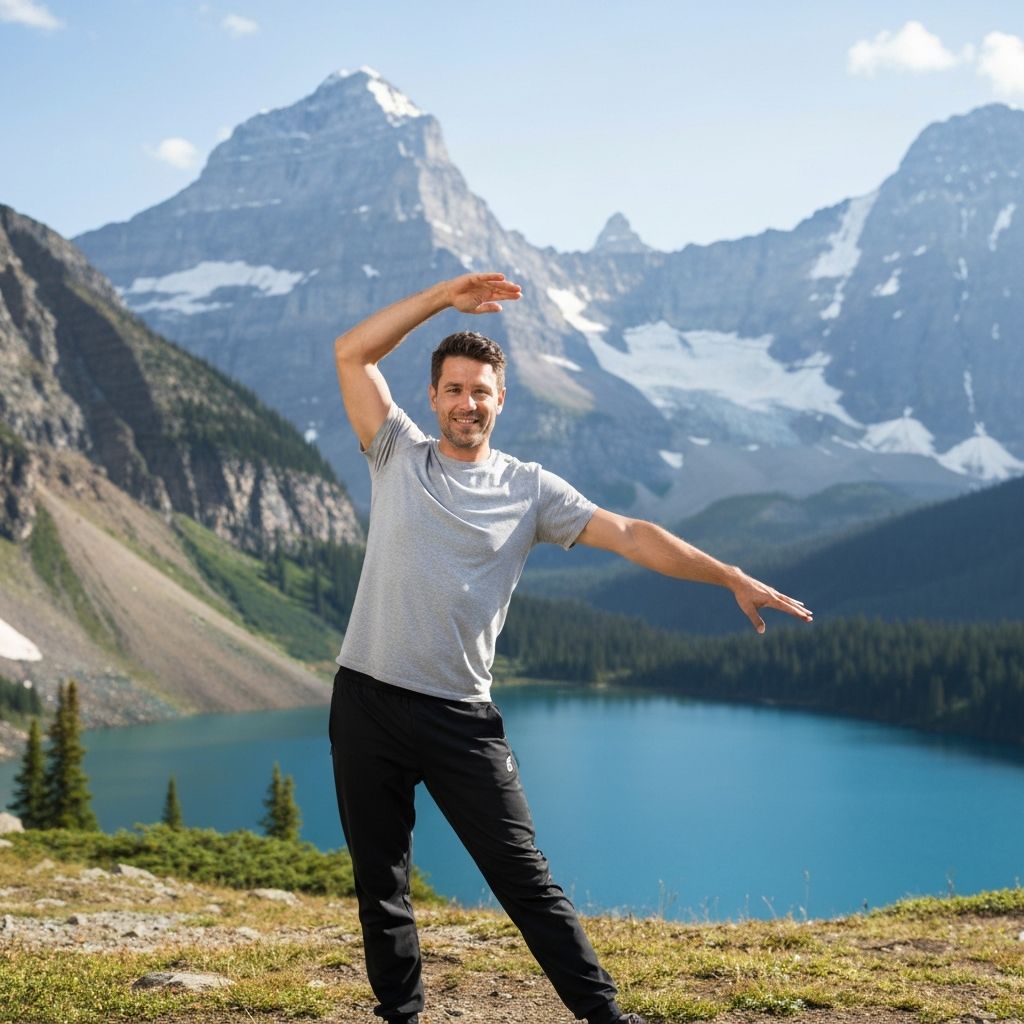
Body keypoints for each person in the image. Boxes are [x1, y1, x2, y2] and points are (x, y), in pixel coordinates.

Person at [330, 272, 812, 1024]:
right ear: (431, 398)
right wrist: (439, 300)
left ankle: (604, 1016)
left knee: (525, 877)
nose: (467, 403)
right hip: (367, 699)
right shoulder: (396, 452)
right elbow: (351, 355)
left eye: (481, 391)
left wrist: (727, 575)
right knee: (380, 880)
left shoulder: (529, 489)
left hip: (461, 716)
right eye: (454, 389)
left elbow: (629, 534)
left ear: (500, 400)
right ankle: (402, 1016)